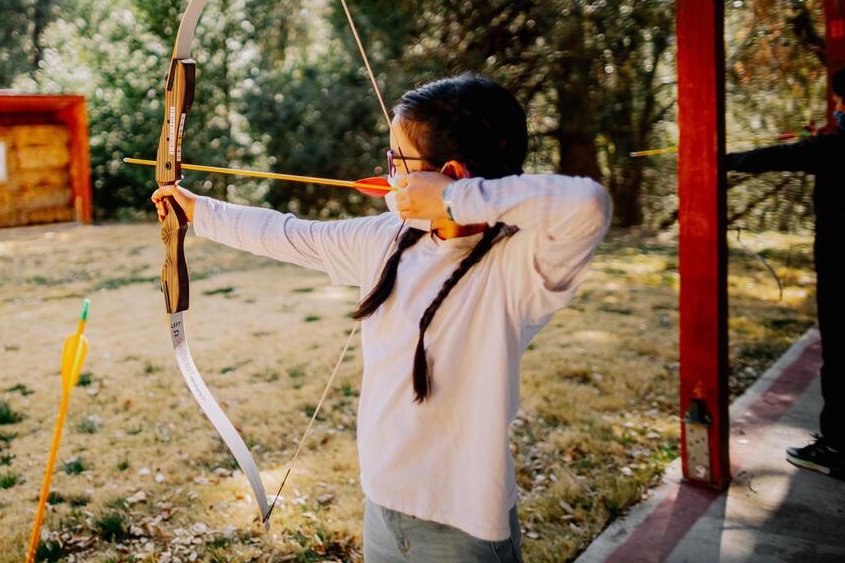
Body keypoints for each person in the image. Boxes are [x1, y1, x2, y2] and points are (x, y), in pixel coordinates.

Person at [152, 74, 611, 561]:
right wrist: (197, 211)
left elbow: (588, 205)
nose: (389, 172)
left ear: (448, 172)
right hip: (383, 508)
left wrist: (454, 199)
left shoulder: (518, 266)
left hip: (463, 528)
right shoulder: (390, 238)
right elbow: (290, 235)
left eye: (399, 161)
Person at [726, 60, 845, 481]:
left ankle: (835, 447)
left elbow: (772, 157)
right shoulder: (835, 146)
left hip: (843, 273)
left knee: (840, 358)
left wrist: (718, 158)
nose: (837, 108)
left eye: (840, 100)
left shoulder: (834, 150)